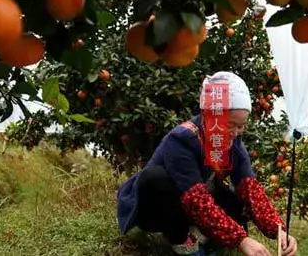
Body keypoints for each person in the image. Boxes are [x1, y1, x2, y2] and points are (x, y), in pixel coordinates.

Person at [117, 71, 298, 256]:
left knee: (237, 198)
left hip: (190, 205)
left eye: (241, 126)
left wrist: (279, 231)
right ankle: (181, 241)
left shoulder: (232, 144)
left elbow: (251, 190)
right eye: (230, 125)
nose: (235, 132)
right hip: (158, 208)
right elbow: (196, 200)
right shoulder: (182, 140)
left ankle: (201, 235)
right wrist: (241, 240)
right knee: (155, 179)